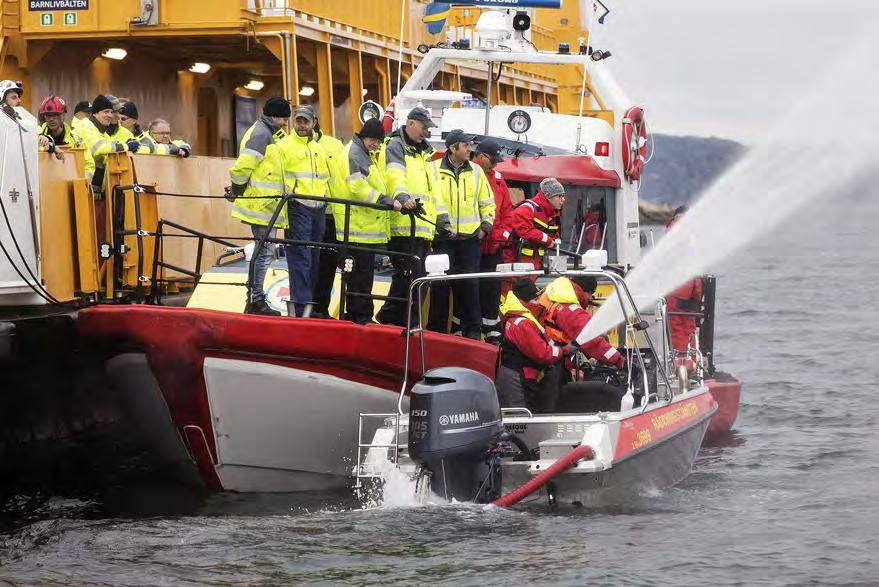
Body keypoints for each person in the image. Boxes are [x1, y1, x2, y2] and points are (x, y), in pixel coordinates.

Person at [375, 107, 443, 327]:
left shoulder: (425, 154)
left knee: (416, 278)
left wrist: (442, 220)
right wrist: (402, 197)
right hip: (403, 225)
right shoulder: (395, 146)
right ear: (410, 123)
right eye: (424, 127)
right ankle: (404, 323)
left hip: (422, 228)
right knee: (409, 276)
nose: (426, 132)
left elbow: (434, 192)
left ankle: (395, 319)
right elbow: (394, 175)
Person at [427, 129, 495, 340]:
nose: (470, 149)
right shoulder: (432, 169)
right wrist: (441, 224)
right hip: (442, 239)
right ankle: (436, 333)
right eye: (465, 145)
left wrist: (486, 226)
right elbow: (430, 199)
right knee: (440, 287)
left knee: (470, 286)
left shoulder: (476, 171)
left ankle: (472, 333)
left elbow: (487, 201)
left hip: (470, 240)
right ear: (452, 147)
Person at [332, 118, 401, 323]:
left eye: (379, 142)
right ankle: (360, 318)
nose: (377, 145)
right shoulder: (355, 154)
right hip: (357, 227)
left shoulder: (359, 152)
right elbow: (358, 187)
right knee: (360, 277)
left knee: (359, 277)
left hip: (359, 227)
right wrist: (385, 201)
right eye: (374, 140)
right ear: (365, 137)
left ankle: (358, 315)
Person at [227, 96, 291, 316]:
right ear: (272, 116)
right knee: (264, 254)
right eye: (283, 118)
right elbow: (241, 168)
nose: (284, 123)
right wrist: (236, 190)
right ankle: (255, 301)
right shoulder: (261, 134)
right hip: (262, 206)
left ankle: (254, 299)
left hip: (268, 205)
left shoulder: (267, 132)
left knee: (264, 252)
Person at [531, 276, 625, 411]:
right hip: (553, 367)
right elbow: (591, 341)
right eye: (590, 294)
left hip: (546, 362)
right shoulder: (571, 310)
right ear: (583, 290)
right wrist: (618, 360)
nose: (590, 299)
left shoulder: (555, 297)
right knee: (552, 407)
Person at [276, 104, 330, 317]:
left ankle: (308, 307)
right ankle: (301, 309)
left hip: (318, 208)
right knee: (300, 258)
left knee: (315, 258)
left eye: (305, 121)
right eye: (298, 121)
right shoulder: (283, 146)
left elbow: (325, 179)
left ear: (314, 122)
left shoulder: (318, 149)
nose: (301, 125)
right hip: (297, 206)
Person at [496, 279, 564, 409]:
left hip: (517, 375)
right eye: (535, 299)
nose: (539, 303)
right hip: (518, 377)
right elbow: (541, 353)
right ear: (526, 301)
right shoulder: (522, 323)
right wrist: (563, 351)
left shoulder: (518, 318)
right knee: (520, 418)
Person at [474, 138, 513, 344]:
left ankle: (492, 331)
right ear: (481, 156)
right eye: (493, 160)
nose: (496, 164)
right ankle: (464, 327)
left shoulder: (498, 179)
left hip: (494, 244)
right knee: (470, 287)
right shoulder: (471, 173)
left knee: (492, 288)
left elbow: (507, 211)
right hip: (473, 243)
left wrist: (503, 235)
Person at [311, 111, 346, 318]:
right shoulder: (291, 146)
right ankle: (306, 307)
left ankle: (321, 309)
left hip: (333, 215)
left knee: (329, 264)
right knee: (308, 262)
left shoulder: (335, 145)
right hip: (309, 214)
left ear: (315, 122)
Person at [72, 94, 142, 195]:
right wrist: (127, 146)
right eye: (106, 112)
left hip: (93, 190)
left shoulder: (101, 131)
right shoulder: (85, 126)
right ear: (95, 113)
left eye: (111, 112)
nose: (110, 115)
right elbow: (99, 148)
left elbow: (110, 150)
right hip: (82, 189)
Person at [509, 177, 565, 285]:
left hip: (535, 264)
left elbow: (554, 234)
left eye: (563, 196)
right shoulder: (527, 208)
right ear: (548, 196)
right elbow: (525, 231)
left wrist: (553, 240)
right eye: (559, 196)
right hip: (516, 262)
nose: (563, 200)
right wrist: (547, 240)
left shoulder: (553, 214)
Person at [664, 206, 703, 353]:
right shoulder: (695, 233)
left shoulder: (674, 231)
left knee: (676, 325)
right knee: (689, 324)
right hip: (695, 285)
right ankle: (692, 358)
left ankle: (680, 359)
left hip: (678, 284)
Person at [38, 95, 95, 177]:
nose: (51, 119)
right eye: (48, 115)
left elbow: (89, 165)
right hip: (44, 187)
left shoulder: (77, 141)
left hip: (70, 188)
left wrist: (82, 183)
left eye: (55, 115)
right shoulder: (37, 134)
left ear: (63, 115)